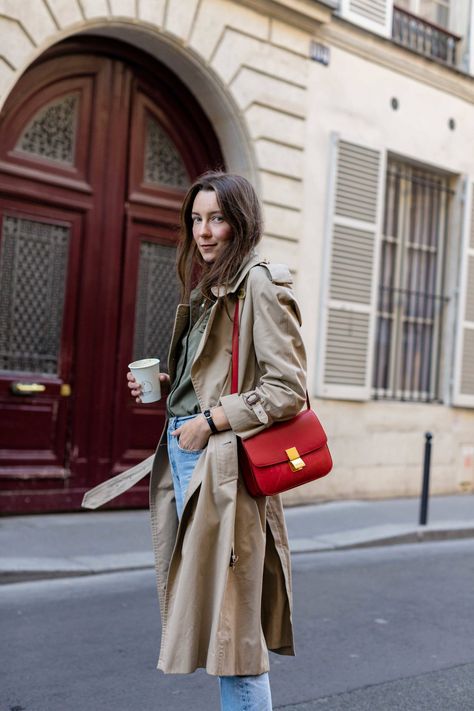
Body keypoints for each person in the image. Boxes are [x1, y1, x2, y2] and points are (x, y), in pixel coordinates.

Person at [127, 171, 307, 710]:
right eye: (197, 218)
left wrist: (213, 421)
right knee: (219, 619)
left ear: (241, 221)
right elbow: (216, 375)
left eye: (218, 219)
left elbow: (288, 388)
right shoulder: (214, 285)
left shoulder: (260, 282)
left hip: (223, 466)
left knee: (234, 627)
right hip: (193, 460)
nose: (204, 231)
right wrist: (167, 383)